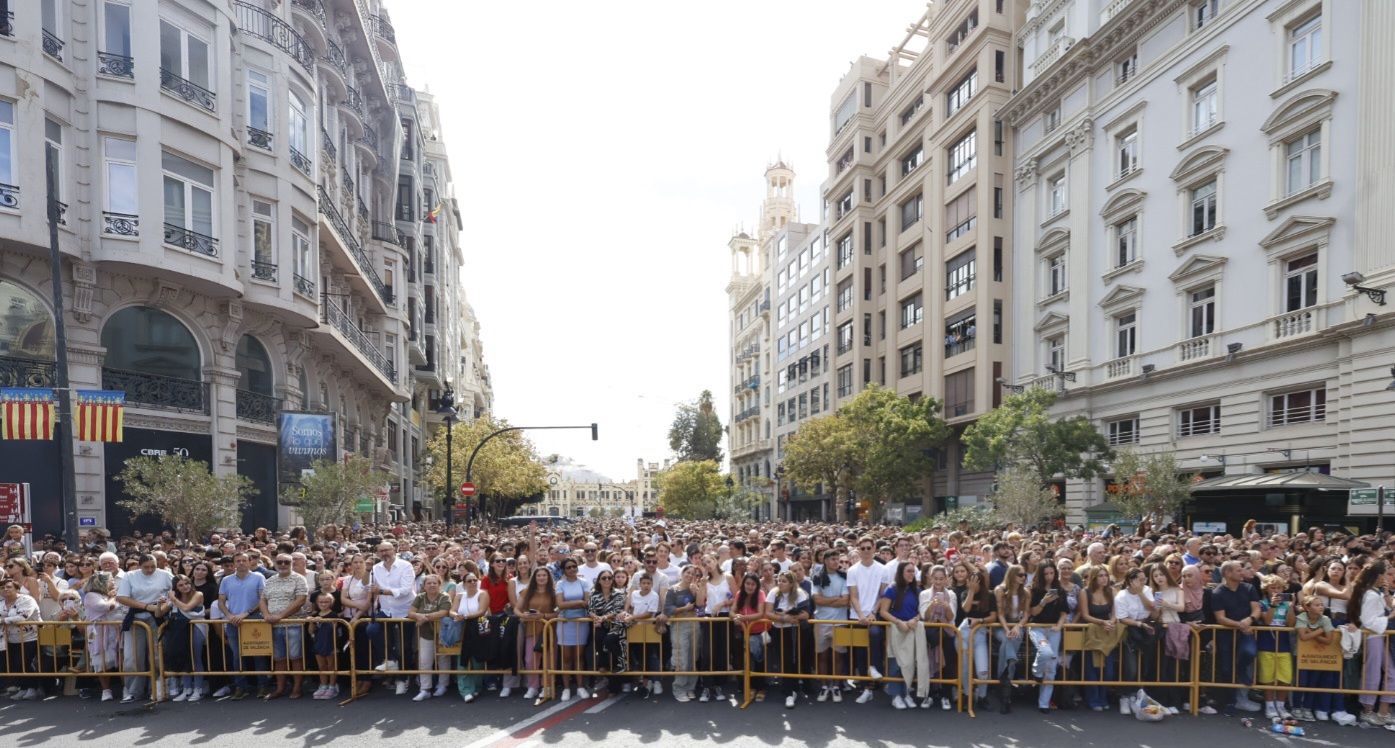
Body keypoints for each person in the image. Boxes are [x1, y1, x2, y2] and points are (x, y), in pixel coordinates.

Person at [113, 553, 172, 703]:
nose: (150, 569)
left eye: (153, 566)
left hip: (159, 617)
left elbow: (174, 594)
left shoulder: (166, 575)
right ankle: (133, 691)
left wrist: (161, 607)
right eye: (146, 567)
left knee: (158, 655)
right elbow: (121, 597)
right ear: (139, 566)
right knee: (132, 658)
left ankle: (159, 689)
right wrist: (147, 607)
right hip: (136, 618)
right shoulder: (130, 576)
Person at [1208, 559, 1263, 715]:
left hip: (1246, 632)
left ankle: (1240, 671)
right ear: (1227, 573)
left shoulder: (1249, 588)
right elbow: (1220, 618)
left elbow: (1256, 609)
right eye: (1238, 570)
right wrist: (1240, 625)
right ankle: (1230, 702)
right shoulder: (1218, 592)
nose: (1242, 572)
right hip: (1226, 635)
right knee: (1226, 669)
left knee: (1249, 652)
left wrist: (1250, 620)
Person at [1349, 560, 1395, 726]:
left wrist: (1387, 593)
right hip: (1374, 636)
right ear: (1378, 575)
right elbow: (1368, 621)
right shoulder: (1370, 594)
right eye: (1387, 573)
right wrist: (1389, 617)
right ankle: (1368, 710)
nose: (1390, 576)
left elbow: (1388, 608)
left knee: (1390, 673)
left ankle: (1383, 711)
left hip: (1382, 636)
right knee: (1372, 672)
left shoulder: (1377, 592)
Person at [879, 561, 928, 710]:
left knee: (909, 663)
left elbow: (922, 610)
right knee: (895, 664)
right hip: (896, 630)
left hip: (912, 630)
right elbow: (883, 611)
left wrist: (915, 619)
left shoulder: (917, 590)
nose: (911, 574)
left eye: (913, 571)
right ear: (901, 572)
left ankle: (906, 692)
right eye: (908, 571)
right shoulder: (891, 589)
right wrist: (898, 622)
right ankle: (896, 696)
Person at [260, 553, 309, 700]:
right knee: (278, 658)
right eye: (279, 562)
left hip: (293, 624)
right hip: (274, 625)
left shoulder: (299, 579)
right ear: (275, 563)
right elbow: (262, 600)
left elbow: (300, 600)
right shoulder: (270, 580)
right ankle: (280, 688)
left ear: (291, 563)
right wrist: (267, 615)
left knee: (296, 657)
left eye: (286, 562)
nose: (282, 565)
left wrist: (281, 616)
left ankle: (297, 688)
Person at [371, 542, 417, 695]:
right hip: (386, 610)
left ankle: (403, 679)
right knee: (372, 629)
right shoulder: (375, 568)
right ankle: (390, 660)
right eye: (381, 551)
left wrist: (383, 591)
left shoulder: (406, 566)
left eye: (387, 550)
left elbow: (405, 590)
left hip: (405, 610)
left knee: (404, 646)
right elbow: (371, 588)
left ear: (394, 550)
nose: (385, 553)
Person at [847, 536, 886, 705]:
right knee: (860, 653)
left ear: (874, 547)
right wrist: (861, 615)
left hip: (874, 615)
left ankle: (875, 667)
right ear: (858, 549)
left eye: (868, 547)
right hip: (857, 616)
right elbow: (853, 596)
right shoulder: (852, 570)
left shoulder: (883, 569)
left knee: (876, 635)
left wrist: (873, 613)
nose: (865, 551)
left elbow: (883, 594)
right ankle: (865, 688)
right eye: (862, 548)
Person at [766, 570, 811, 709]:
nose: (780, 583)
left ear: (792, 583)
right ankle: (789, 690)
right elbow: (767, 612)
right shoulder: (773, 592)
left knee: (792, 660)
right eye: (779, 580)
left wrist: (792, 616)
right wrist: (782, 617)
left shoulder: (800, 593)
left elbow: (806, 614)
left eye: (784, 581)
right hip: (778, 630)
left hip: (794, 631)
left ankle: (791, 692)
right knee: (784, 660)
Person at [1027, 560, 1066, 714]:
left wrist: (1059, 625)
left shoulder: (1060, 590)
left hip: (1053, 629)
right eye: (1046, 574)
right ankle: (1036, 672)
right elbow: (1033, 613)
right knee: (1046, 652)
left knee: (1052, 666)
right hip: (1037, 628)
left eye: (1052, 573)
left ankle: (1044, 703)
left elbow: (1064, 613)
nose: (1049, 576)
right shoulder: (1034, 590)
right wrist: (1043, 602)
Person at [1293, 593, 1339, 722]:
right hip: (1302, 655)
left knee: (1313, 682)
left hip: (1317, 657)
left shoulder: (1325, 619)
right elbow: (1303, 637)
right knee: (1301, 682)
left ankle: (1307, 708)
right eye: (1317, 605)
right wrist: (1320, 631)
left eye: (1322, 605)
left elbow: (1329, 640)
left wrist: (1313, 632)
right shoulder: (1302, 617)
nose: (1321, 607)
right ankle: (1296, 707)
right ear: (1308, 608)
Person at [811, 548, 849, 703]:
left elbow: (845, 601)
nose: (836, 562)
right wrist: (835, 599)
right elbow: (817, 600)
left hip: (839, 623)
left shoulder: (844, 578)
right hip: (821, 622)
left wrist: (827, 600)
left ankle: (836, 686)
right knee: (822, 656)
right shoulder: (817, 578)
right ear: (825, 561)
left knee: (838, 657)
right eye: (833, 559)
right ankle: (824, 686)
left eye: (837, 559)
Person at [1077, 567, 1117, 712]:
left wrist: (1111, 622)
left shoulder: (1112, 591)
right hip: (1092, 633)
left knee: (1108, 669)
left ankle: (1103, 697)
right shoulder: (1085, 592)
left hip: (1108, 633)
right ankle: (1093, 699)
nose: (1104, 578)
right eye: (1100, 576)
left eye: (1105, 575)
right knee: (1091, 668)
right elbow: (1085, 615)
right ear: (1094, 578)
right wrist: (1101, 622)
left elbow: (1114, 613)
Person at [1255, 573, 1294, 719]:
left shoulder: (1286, 603)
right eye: (1273, 588)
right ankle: (1270, 705)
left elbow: (1291, 623)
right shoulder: (1263, 603)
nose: (1276, 591)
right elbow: (1267, 621)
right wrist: (1272, 605)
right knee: (1268, 677)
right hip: (1267, 644)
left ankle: (1281, 706)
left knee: (1284, 677)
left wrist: (1291, 607)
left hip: (1283, 645)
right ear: (1267, 589)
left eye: (1279, 588)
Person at [407, 573, 452, 701]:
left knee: (443, 659)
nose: (432, 585)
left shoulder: (444, 596)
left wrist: (423, 617)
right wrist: (419, 617)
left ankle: (443, 685)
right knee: (425, 661)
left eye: (435, 583)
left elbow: (443, 612)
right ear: (424, 586)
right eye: (429, 583)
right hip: (425, 634)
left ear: (439, 585)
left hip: (442, 633)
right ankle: (425, 689)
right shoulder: (420, 597)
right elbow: (410, 612)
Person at [664, 564, 705, 703]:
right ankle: (679, 689)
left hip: (694, 625)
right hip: (679, 626)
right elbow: (668, 609)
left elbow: (701, 607)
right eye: (687, 572)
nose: (689, 575)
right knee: (682, 658)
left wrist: (696, 592)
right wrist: (683, 609)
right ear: (682, 573)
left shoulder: (694, 589)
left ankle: (690, 687)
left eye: (693, 574)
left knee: (693, 657)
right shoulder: (673, 589)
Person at [957, 565, 996, 709]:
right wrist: (971, 591)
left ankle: (982, 696)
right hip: (965, 631)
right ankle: (968, 695)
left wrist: (980, 621)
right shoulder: (964, 593)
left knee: (982, 670)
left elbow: (993, 616)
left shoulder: (990, 595)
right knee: (965, 666)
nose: (973, 584)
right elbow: (966, 609)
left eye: (976, 581)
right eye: (970, 581)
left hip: (980, 632)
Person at [554, 558, 591, 701]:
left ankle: (581, 687)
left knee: (579, 657)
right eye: (568, 567)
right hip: (565, 623)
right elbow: (560, 604)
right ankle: (566, 688)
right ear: (564, 570)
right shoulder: (560, 584)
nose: (571, 569)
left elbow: (587, 603)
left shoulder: (584, 583)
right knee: (566, 658)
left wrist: (572, 604)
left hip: (581, 623)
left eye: (574, 566)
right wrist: (579, 602)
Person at [517, 567, 556, 702]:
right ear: (535, 577)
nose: (541, 578)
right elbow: (517, 609)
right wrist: (524, 616)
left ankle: (547, 686)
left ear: (548, 577)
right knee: (530, 659)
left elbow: (558, 612)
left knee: (548, 659)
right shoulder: (527, 592)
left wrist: (544, 615)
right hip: (531, 629)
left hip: (549, 629)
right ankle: (532, 686)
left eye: (544, 575)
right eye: (538, 575)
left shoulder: (554, 593)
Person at [80, 571, 121, 701]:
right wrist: (113, 597)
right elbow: (105, 607)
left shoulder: (108, 595)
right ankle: (106, 690)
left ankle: (126, 689)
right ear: (101, 582)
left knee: (119, 659)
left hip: (113, 631)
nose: (113, 583)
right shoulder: (91, 595)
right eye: (111, 580)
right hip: (98, 632)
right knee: (100, 661)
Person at [452, 572, 491, 702]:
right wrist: (455, 615)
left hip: (478, 629)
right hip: (462, 630)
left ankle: (476, 688)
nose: (473, 582)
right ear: (464, 584)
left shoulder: (483, 594)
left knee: (477, 660)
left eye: (475, 580)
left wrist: (466, 616)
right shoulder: (459, 596)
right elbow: (452, 610)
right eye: (469, 581)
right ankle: (465, 690)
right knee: (462, 660)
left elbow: (481, 611)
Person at [0, 578, 41, 701]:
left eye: (9, 587)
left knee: (26, 662)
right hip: (10, 638)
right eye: (3, 588)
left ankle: (32, 689)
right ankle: (23, 688)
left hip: (30, 637)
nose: (5, 589)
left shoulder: (27, 600)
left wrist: (3, 620)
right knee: (16, 664)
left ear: (17, 589)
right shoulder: (1, 602)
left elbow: (23, 617)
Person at [730, 572, 767, 702]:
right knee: (744, 661)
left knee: (758, 660)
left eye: (753, 584)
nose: (750, 586)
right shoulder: (739, 594)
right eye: (747, 583)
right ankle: (749, 687)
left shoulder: (761, 594)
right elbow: (732, 611)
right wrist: (735, 617)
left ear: (757, 585)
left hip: (757, 632)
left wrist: (742, 618)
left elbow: (760, 613)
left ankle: (760, 688)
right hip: (742, 632)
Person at [588, 569, 628, 689]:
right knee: (599, 638)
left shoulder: (619, 593)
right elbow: (590, 609)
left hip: (616, 626)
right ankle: (604, 664)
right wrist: (596, 618)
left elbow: (617, 610)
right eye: (604, 578)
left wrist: (602, 618)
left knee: (609, 643)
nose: (607, 580)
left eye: (609, 578)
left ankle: (622, 662)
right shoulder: (594, 594)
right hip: (601, 626)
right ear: (599, 581)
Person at [306, 590, 342, 699]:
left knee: (331, 665)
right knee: (321, 666)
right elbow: (311, 631)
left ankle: (332, 686)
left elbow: (334, 629)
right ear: (317, 603)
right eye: (321, 602)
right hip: (318, 643)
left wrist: (323, 620)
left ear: (331, 603)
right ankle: (323, 685)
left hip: (331, 644)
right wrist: (312, 621)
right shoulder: (315, 614)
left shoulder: (333, 614)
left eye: (326, 602)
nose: (323, 604)